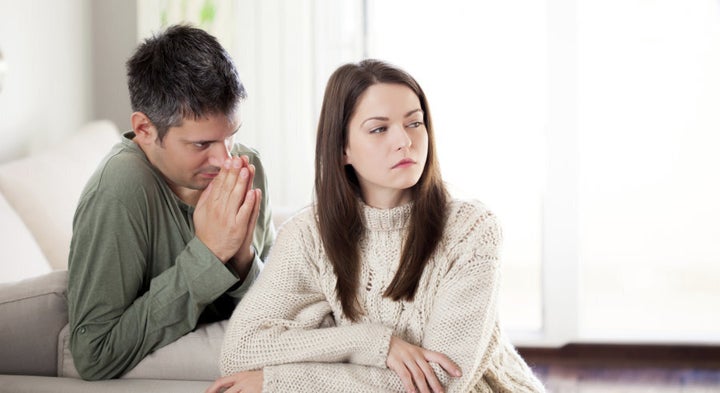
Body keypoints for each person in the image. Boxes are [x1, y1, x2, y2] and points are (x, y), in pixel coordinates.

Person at [207, 59, 544, 393]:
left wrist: (279, 382)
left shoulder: (470, 230)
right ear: (342, 149)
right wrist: (373, 343)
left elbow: (441, 381)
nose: (405, 141)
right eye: (379, 129)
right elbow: (241, 351)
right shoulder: (308, 235)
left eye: (414, 123)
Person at [67, 24, 274, 380]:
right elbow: (94, 354)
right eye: (201, 144)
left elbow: (276, 314)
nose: (226, 160)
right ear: (145, 130)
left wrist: (242, 259)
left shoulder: (247, 165)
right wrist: (207, 256)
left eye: (231, 136)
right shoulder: (118, 192)